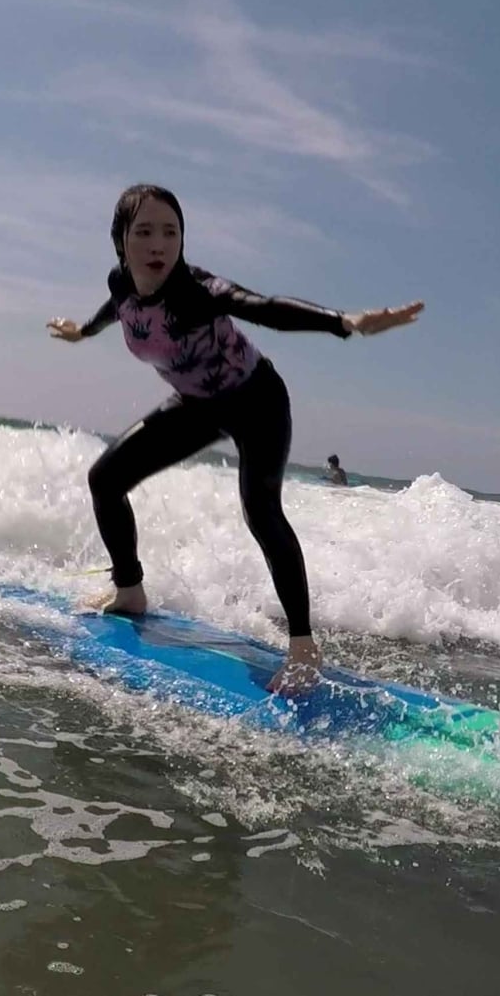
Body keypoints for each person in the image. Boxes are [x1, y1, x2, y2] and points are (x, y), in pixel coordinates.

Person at [47, 184, 421, 693]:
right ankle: (130, 591)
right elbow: (114, 309)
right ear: (121, 241)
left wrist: (344, 323)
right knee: (106, 479)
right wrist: (82, 333)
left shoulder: (199, 291)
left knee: (261, 511)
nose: (159, 244)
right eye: (145, 232)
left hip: (256, 401)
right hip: (197, 405)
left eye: (171, 232)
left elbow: (264, 308)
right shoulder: (121, 284)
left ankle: (303, 647)